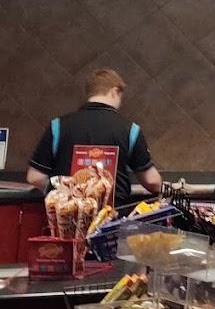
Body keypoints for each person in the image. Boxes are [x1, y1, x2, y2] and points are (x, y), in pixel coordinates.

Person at [26, 69, 162, 208]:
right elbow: (151, 181)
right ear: (114, 92)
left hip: (68, 215)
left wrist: (61, 192)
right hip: (113, 215)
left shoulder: (58, 126)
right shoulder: (130, 130)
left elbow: (35, 177)